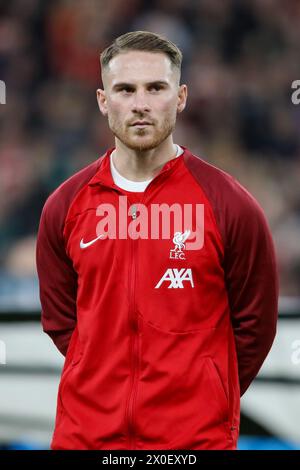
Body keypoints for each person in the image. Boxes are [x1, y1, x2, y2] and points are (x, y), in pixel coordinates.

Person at [36, 30, 279, 450]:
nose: (141, 104)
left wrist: (205, 393)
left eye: (156, 88)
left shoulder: (229, 204)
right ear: (102, 100)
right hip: (87, 438)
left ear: (181, 97)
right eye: (125, 89)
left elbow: (256, 324)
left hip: (192, 443)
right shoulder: (65, 206)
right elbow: (62, 323)